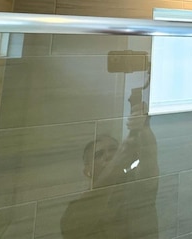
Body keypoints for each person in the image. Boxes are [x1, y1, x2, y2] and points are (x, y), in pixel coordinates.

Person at [61, 89, 159, 239]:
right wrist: (119, 159)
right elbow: (73, 229)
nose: (108, 155)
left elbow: (149, 159)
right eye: (98, 154)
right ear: (88, 171)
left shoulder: (137, 187)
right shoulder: (76, 211)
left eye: (113, 149)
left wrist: (144, 126)